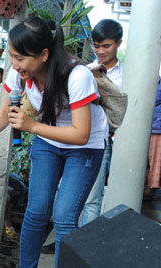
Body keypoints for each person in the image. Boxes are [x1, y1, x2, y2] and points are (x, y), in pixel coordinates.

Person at [0, 17, 108, 267]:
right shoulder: (19, 73)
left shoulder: (77, 75)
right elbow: (3, 112)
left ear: (43, 54)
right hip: (48, 142)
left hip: (85, 148)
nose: (14, 64)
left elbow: (81, 134)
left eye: (20, 58)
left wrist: (31, 126)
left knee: (63, 216)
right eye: (12, 56)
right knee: (36, 212)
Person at [81, 19, 123, 225]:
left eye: (106, 46)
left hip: (102, 141)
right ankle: (68, 241)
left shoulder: (125, 77)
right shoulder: (87, 71)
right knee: (68, 193)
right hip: (76, 138)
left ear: (119, 43)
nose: (100, 51)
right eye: (96, 46)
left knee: (91, 200)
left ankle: (85, 251)